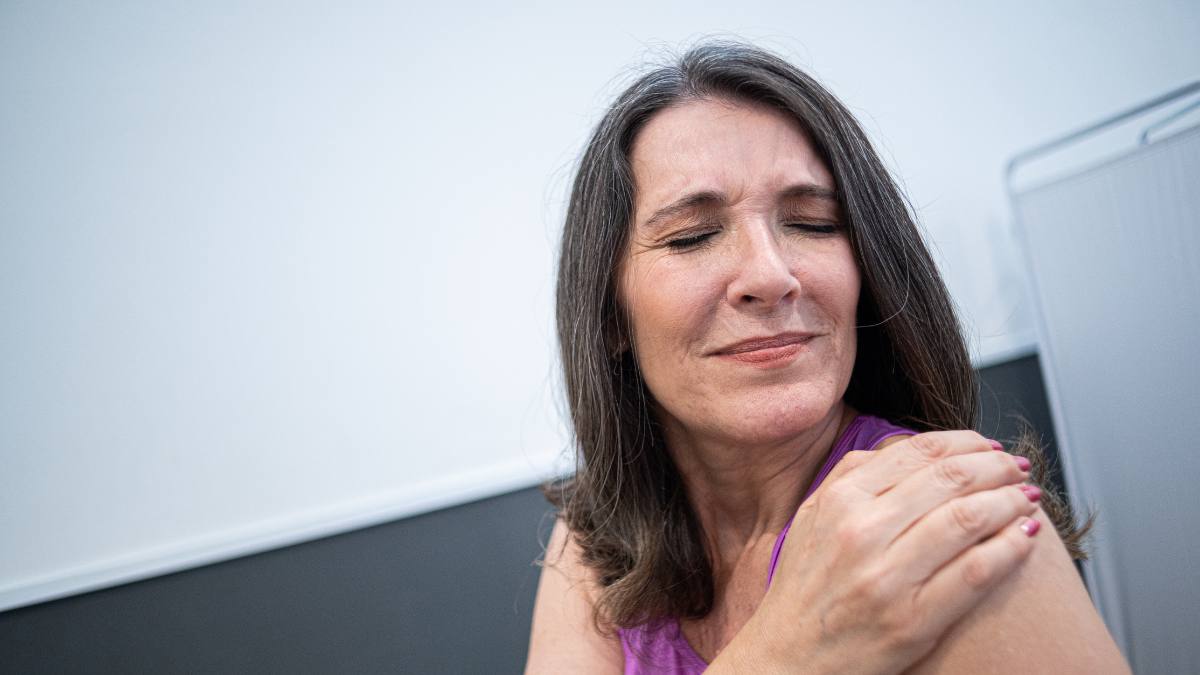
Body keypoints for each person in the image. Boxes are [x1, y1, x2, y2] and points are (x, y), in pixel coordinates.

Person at [526, 41, 1127, 673]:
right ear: (611, 316)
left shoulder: (949, 528)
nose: (770, 272)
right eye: (693, 236)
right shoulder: (601, 542)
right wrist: (784, 651)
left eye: (813, 223)